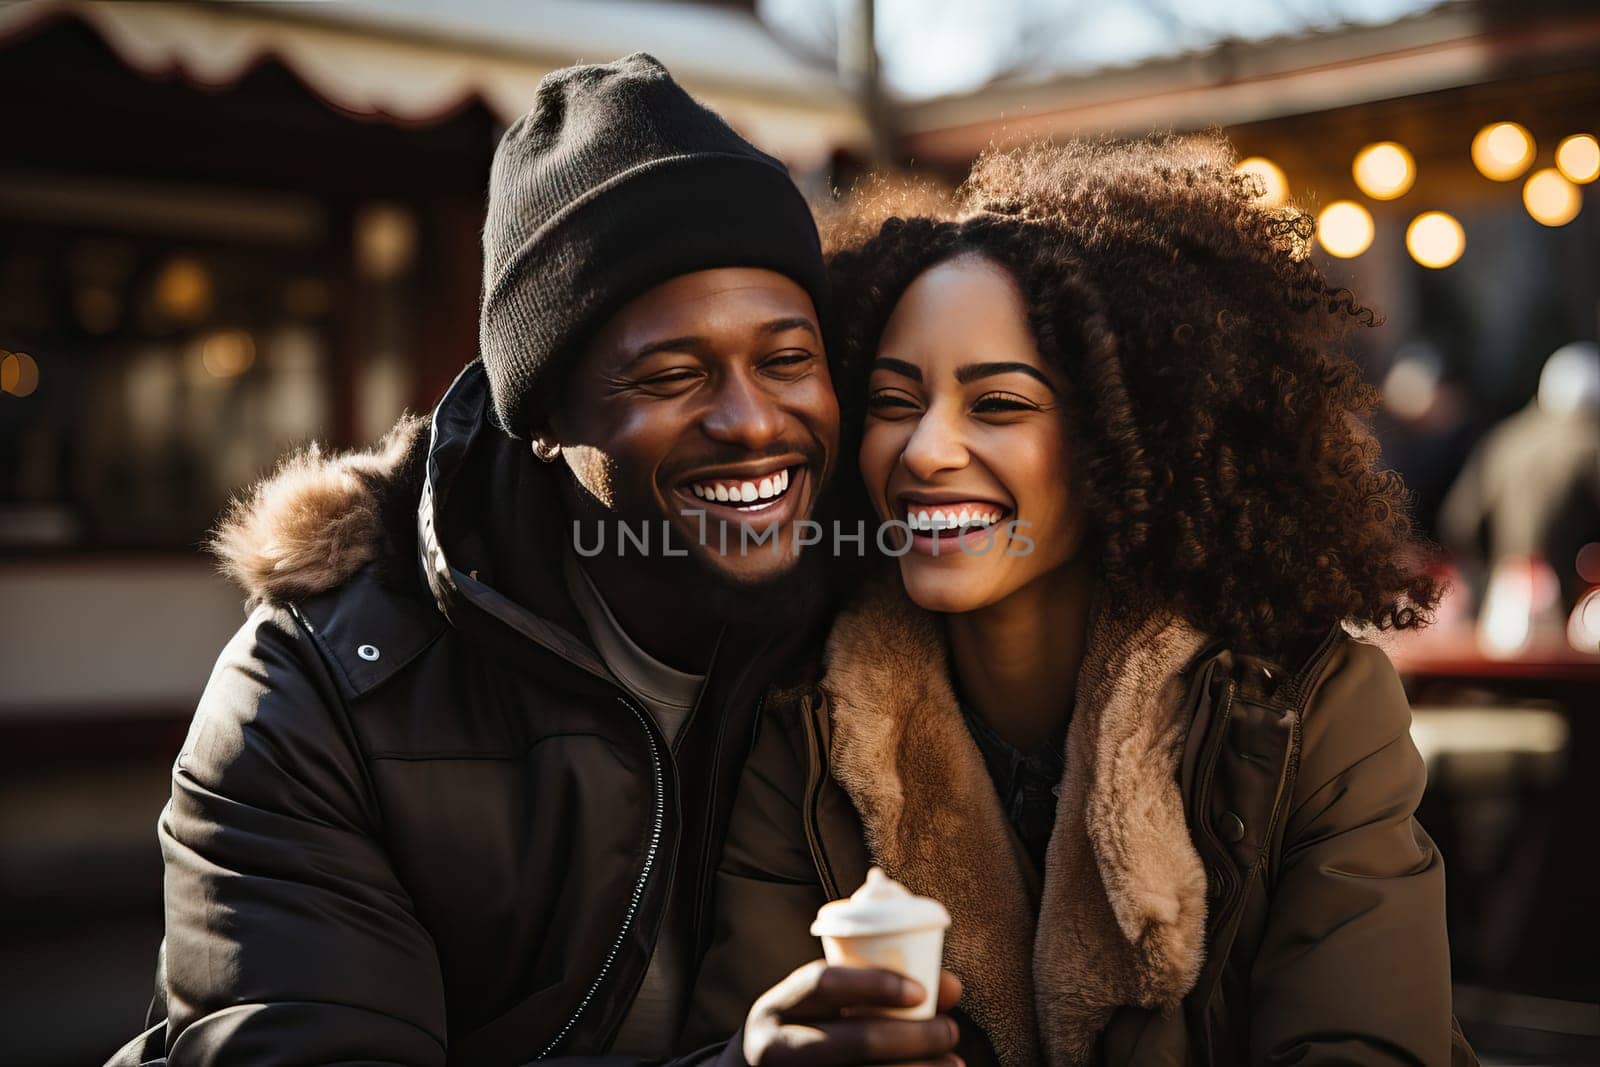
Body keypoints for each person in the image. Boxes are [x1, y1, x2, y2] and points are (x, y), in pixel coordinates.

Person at [108, 54, 961, 1066]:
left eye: (787, 359)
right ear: (546, 415)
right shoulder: (317, 691)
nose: (750, 422)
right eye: (673, 373)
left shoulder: (877, 627)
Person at [689, 137, 1478, 1065]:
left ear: (1121, 438)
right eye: (894, 402)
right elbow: (737, 1027)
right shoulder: (805, 727)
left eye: (1000, 405)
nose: (925, 450)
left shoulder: (1309, 708)